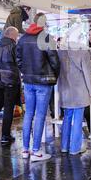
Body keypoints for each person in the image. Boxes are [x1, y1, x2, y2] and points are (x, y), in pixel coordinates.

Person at [17, 13, 60, 162]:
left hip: (28, 81)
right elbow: (54, 59)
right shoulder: (47, 38)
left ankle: (25, 149)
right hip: (43, 81)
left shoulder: (23, 38)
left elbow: (18, 59)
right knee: (40, 115)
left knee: (28, 114)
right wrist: (55, 75)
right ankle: (36, 151)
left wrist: (26, 72)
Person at [58, 29, 91, 155]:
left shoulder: (60, 52)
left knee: (67, 118)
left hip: (65, 90)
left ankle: (64, 146)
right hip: (79, 91)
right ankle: (74, 148)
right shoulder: (82, 52)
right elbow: (88, 74)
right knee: (78, 119)